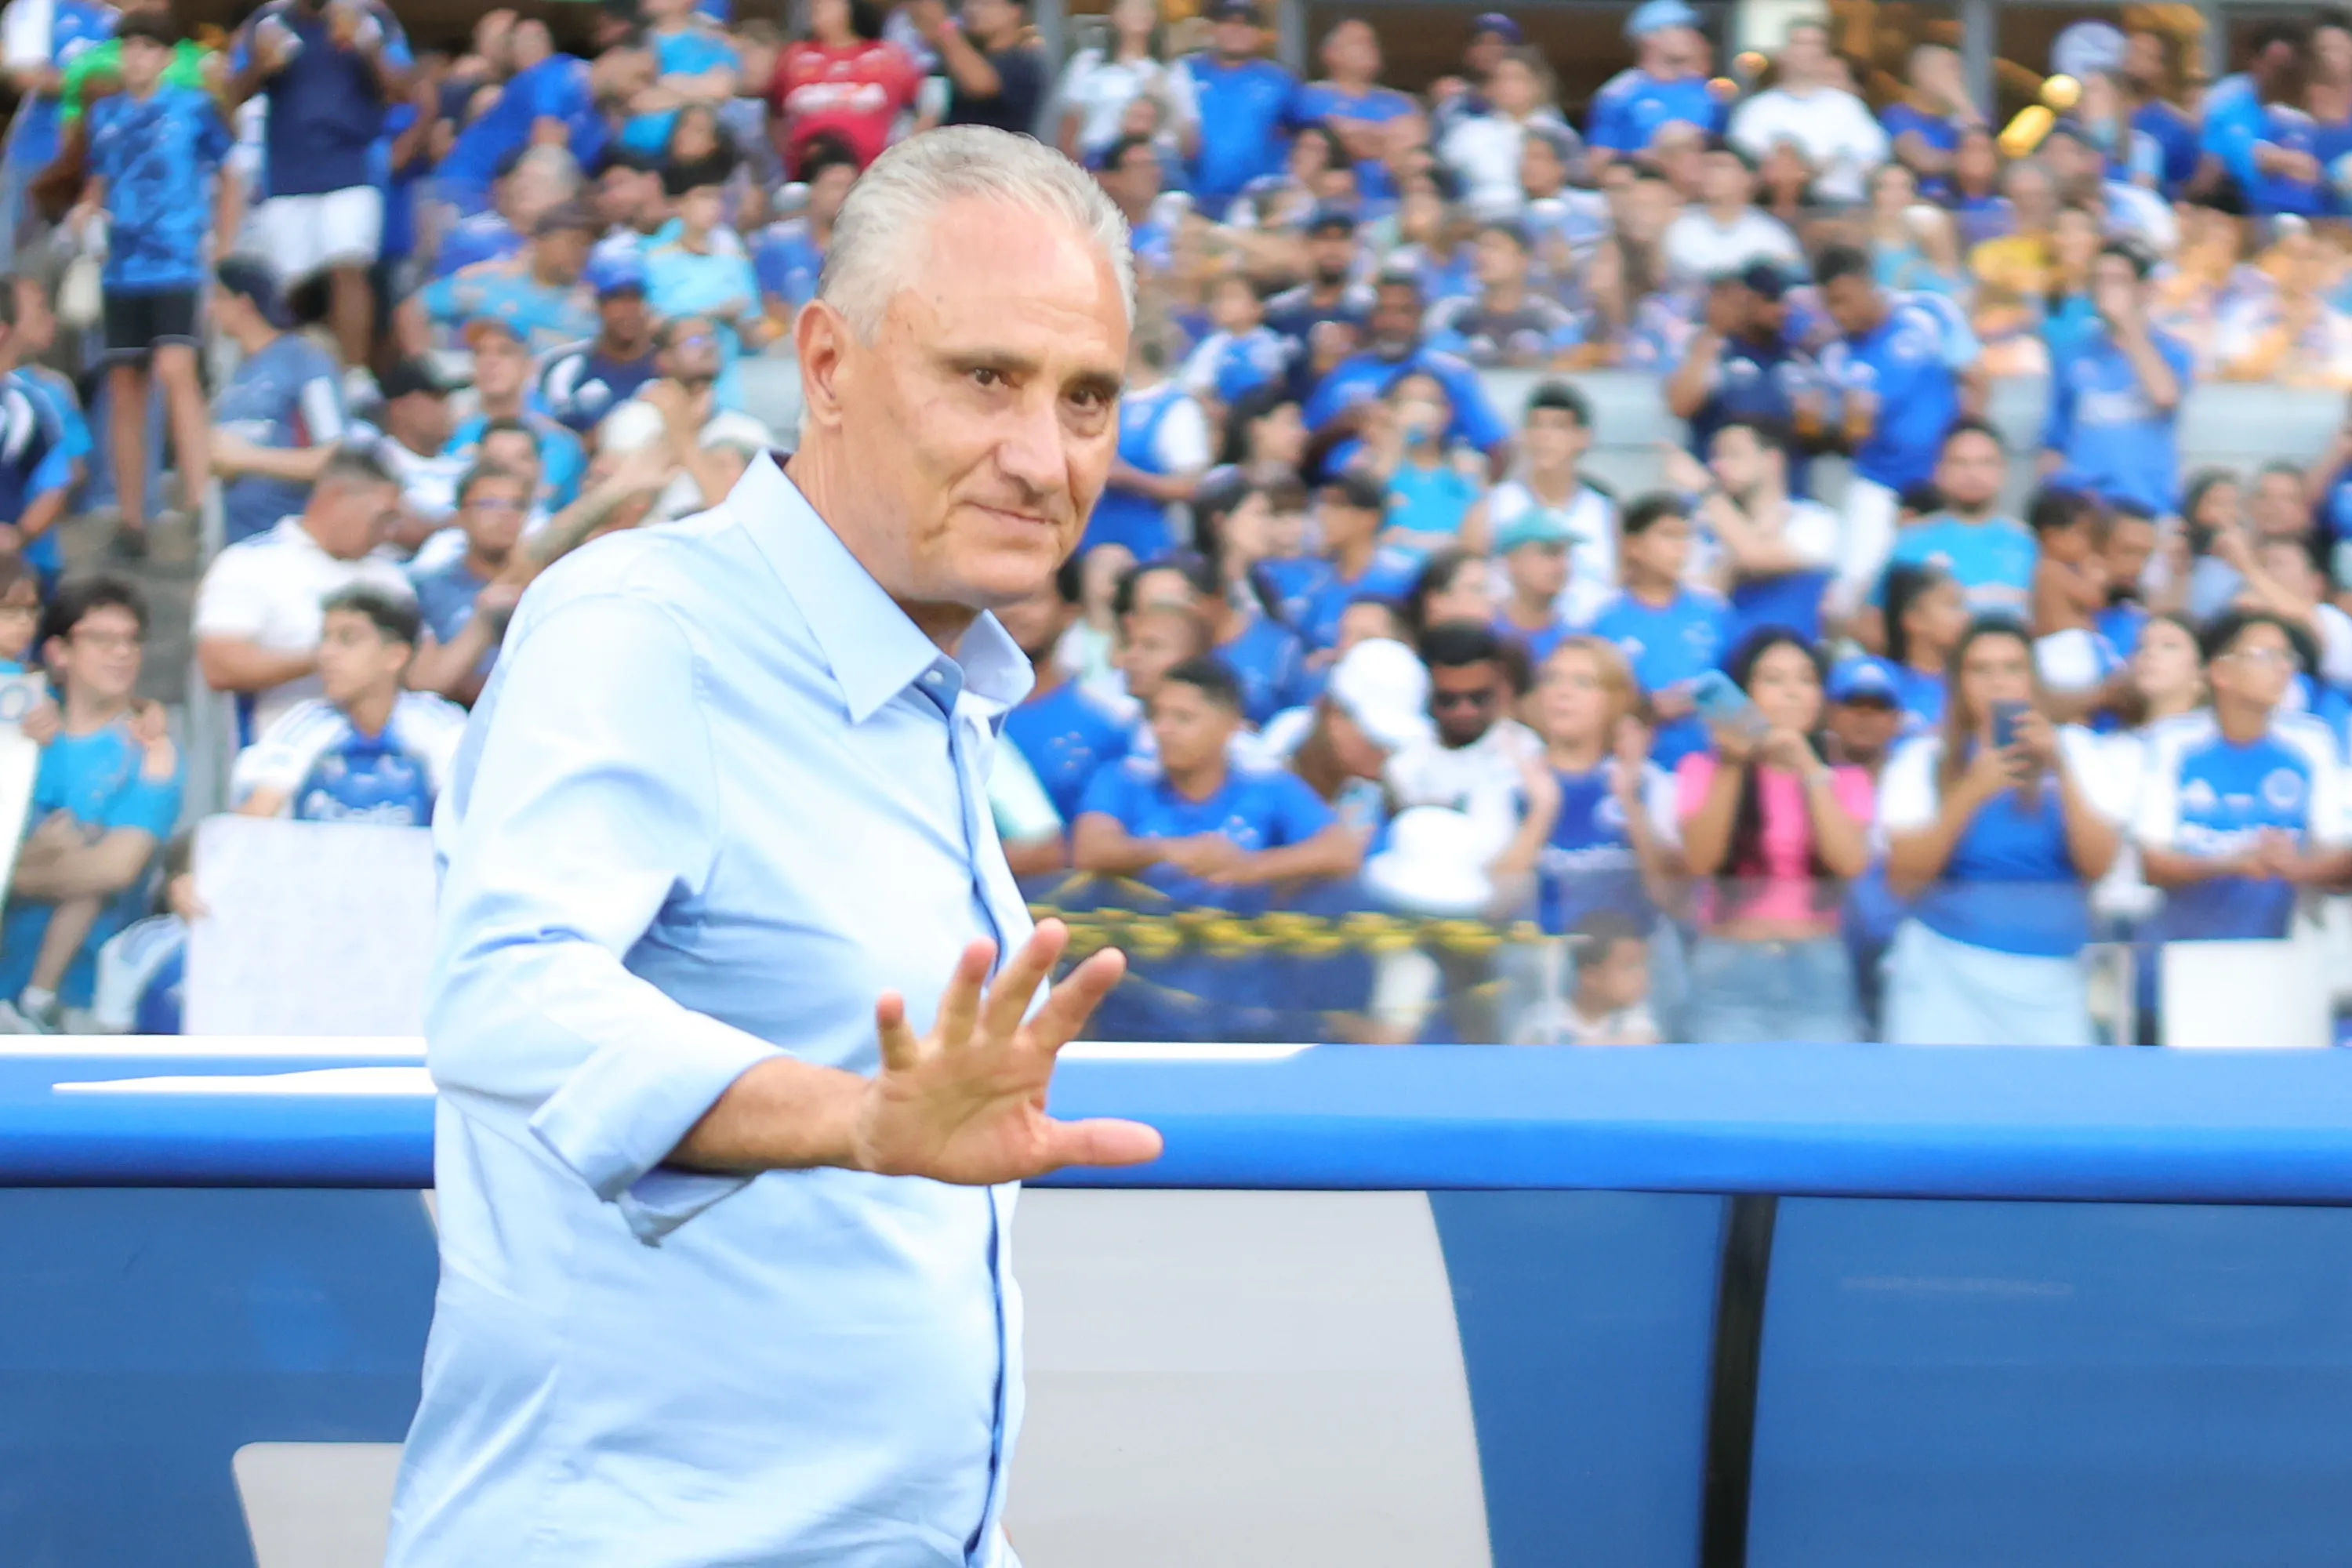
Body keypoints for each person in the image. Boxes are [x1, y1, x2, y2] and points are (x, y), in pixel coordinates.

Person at [387, 128, 1163, 1566]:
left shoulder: (930, 683)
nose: (1042, 455)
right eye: (986, 378)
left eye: (1089, 399)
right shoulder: (646, 628)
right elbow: (502, 994)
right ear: (825, 365)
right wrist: (852, 1120)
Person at [1878, 618, 2123, 1046]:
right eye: (1980, 670)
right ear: (1959, 682)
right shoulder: (1923, 759)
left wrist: (2060, 768)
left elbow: (2099, 864)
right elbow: (1903, 876)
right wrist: (1972, 790)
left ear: (2033, 679)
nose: (1998, 683)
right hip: (1945, 969)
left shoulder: (2080, 751)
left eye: (2013, 668)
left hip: (2052, 974)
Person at [75, 14, 227, 561]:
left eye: (146, 47)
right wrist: (87, 210)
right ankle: (132, 515)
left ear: (165, 55)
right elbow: (98, 177)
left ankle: (197, 500)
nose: (134, 57)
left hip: (178, 261)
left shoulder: (192, 108)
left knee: (176, 369)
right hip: (121, 265)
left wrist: (224, 239)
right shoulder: (105, 114)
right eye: (128, 47)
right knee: (123, 386)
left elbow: (230, 166)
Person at [0, 576, 180, 1034]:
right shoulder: (21, 722)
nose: (122, 652)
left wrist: (15, 873)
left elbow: (114, 870)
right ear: (59, 651)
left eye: (132, 640)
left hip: (85, 1003)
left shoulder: (150, 748)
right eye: (102, 639)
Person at [1674, 628, 1871, 1044]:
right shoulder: (1703, 768)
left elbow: (1849, 862)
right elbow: (1700, 861)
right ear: (1746, 692)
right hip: (1731, 964)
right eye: (1774, 680)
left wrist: (1808, 766)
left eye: (1805, 680)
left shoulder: (1847, 779)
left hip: (1816, 965)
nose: (1792, 693)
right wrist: (1732, 762)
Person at [2136, 610, 2352, 957]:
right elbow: (2152, 863)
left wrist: (2294, 867)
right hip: (2184, 957)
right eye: (2266, 656)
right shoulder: (2172, 743)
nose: (2283, 668)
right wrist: (2232, 863)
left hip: (2285, 957)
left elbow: (2342, 856)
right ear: (2221, 672)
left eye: (2287, 657)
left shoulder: (2313, 742)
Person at [1074, 654, 1357, 902]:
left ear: (1230, 726)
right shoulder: (1124, 779)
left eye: (1183, 718)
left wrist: (1250, 868)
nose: (1163, 729)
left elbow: (1340, 851)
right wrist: (1168, 852)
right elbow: (1090, 850)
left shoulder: (1265, 784)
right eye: (1157, 715)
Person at [230, 0, 415, 379]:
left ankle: (354, 378)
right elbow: (231, 97)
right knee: (291, 286)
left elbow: (402, 90)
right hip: (287, 175)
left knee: (348, 264)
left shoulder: (371, 17)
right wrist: (261, 66)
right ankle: (297, 380)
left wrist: (365, 46)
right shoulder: (268, 21)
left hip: (351, 167)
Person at [194, 444, 416, 742]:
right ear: (337, 497)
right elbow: (220, 666)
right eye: (382, 516)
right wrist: (331, 655)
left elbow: (422, 673)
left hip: (386, 757)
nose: (388, 531)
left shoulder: (391, 576)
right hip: (280, 758)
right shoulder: (249, 563)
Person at [1809, 245, 1987, 609]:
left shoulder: (1929, 312)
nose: (1838, 313)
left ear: (1867, 284)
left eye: (1844, 300)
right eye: (1830, 304)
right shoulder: (1836, 356)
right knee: (1853, 587)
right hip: (1879, 483)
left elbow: (1976, 380)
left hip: (1942, 479)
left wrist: (1961, 453)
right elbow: (1844, 440)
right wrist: (1853, 423)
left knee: (1952, 581)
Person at [230, 586, 468, 825]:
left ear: (395, 656)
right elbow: (253, 825)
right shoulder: (301, 725)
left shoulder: (441, 725)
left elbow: (467, 821)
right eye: (325, 639)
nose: (326, 654)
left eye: (348, 640)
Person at [1528, 635, 1679, 949]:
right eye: (1552, 679)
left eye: (1583, 682)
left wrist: (1631, 805)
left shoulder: (1650, 785)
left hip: (1631, 971)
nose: (1562, 693)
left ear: (1616, 699)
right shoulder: (1510, 784)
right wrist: (1540, 812)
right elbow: (1496, 904)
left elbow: (1672, 898)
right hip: (1537, 966)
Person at [2040, 241, 2194, 521]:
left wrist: (2129, 327)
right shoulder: (2072, 355)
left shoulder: (2172, 352)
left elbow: (2165, 397)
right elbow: (2056, 441)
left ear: (2144, 289)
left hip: (2148, 506)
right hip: (2086, 510)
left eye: (2118, 280)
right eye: (2098, 279)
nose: (2105, 289)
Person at [208, 258, 350, 550]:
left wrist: (245, 458)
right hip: (241, 542)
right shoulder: (238, 373)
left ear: (243, 303)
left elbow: (336, 457)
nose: (210, 311)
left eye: (218, 299)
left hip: (292, 542)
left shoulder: (304, 360)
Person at [1588, 492, 1731, 768]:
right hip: (1635, 769)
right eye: (1668, 535)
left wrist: (1705, 699)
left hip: (1710, 771)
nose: (1681, 547)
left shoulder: (1714, 613)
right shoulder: (1605, 620)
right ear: (1633, 546)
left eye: (1686, 537)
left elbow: (1741, 697)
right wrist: (1649, 709)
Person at [1681, 418, 1838, 646]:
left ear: (1772, 460)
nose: (1718, 467)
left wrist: (1707, 491)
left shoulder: (1814, 519)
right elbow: (1699, 600)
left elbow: (1755, 556)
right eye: (1715, 457)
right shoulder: (1702, 527)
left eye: (1733, 455)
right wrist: (1731, 566)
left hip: (1795, 658)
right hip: (1725, 657)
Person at [1665, 263, 1813, 488]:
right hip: (1718, 488)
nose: (1781, 311)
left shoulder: (1794, 356)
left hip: (1784, 491)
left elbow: (1815, 427)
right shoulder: (1714, 350)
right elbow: (1680, 405)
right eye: (1769, 301)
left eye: (1782, 301)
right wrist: (1713, 332)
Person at [1875, 420, 2038, 622]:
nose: (1973, 474)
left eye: (1985, 462)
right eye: (1960, 463)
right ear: (1938, 471)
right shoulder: (1910, 543)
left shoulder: (2029, 545)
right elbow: (1875, 623)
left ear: (2003, 470)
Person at [1726, 19, 1888, 206]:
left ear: (1825, 53)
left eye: (1816, 44)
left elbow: (1873, 159)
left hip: (1840, 209)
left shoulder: (1848, 107)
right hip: (1772, 208)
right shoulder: (1756, 109)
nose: (1807, 51)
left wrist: (1830, 167)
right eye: (1799, 43)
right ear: (1783, 52)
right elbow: (1746, 165)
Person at [405, 463, 528, 706]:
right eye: (489, 504)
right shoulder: (427, 589)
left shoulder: (542, 585)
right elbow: (420, 681)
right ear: (461, 515)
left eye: (517, 505)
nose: (505, 515)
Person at [1083, 323, 1209, 561]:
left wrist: (1129, 478)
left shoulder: (1176, 406)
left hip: (1152, 544)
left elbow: (1191, 487)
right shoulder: (1101, 401)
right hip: (1092, 544)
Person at [1487, 381, 1617, 600]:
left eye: (1558, 427)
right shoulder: (1493, 506)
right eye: (1537, 426)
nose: (1545, 437)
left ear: (1583, 437)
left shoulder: (1606, 511)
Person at [769, 0, 920, 172]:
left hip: (873, 170)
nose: (816, 6)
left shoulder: (887, 56)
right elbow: (773, 112)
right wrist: (787, 154)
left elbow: (923, 103)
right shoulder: (794, 57)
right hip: (806, 171)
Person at [1176, 0, 1297, 215]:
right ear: (1212, 29)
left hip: (1256, 204)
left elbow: (1305, 137)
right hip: (1189, 198)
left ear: (1259, 33)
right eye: (1227, 22)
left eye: (1247, 23)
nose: (1237, 29)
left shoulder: (1280, 82)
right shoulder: (1183, 73)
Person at [1423, 220, 1582, 369]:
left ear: (1523, 258)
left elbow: (1572, 356)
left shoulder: (1550, 317)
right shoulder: (1450, 313)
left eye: (1494, 248)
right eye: (1480, 248)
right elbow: (1434, 359)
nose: (1482, 256)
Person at [1584, 0, 1721, 173]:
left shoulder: (1706, 93)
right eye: (1680, 28)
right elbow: (1598, 161)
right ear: (1648, 38)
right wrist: (1656, 156)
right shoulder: (1619, 94)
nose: (1692, 36)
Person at [1052, 0, 1191, 166]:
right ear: (1114, 15)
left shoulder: (1172, 70)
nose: (1138, 13)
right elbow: (1069, 125)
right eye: (1130, 8)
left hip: (1156, 161)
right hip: (1098, 160)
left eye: (1145, 8)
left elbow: (1187, 131)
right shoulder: (1087, 63)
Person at [1298, 468, 1421, 652]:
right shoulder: (1315, 582)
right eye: (1323, 504)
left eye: (1337, 506)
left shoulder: (1404, 577)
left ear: (1369, 518)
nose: (1324, 515)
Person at [538, 256, 661, 436]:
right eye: (616, 300)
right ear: (599, 306)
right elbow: (550, 429)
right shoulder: (565, 364)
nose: (628, 310)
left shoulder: (666, 365)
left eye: (635, 299)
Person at [1661, 144, 1801, 292]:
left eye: (1720, 167)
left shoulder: (1771, 234)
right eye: (1706, 167)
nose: (1711, 175)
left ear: (1749, 177)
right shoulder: (1678, 226)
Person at [912, 0, 1047, 136]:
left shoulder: (1024, 61)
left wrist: (943, 28)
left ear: (1015, 10)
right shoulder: (955, 59)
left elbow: (980, 84)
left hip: (999, 154)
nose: (972, 9)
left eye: (984, 3)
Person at [1882, 561, 1966, 728]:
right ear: (1913, 619)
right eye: (1952, 605)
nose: (1965, 617)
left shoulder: (1968, 685)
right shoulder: (1882, 683)